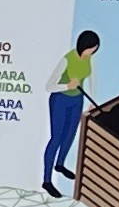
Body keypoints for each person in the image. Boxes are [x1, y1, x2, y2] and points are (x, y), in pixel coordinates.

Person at [41, 31, 101, 194]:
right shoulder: (67, 60)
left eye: (94, 50)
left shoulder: (89, 59)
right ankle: (47, 180)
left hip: (77, 100)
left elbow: (92, 79)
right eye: (91, 49)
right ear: (84, 46)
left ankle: (60, 164)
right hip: (60, 100)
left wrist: (92, 101)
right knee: (56, 138)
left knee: (70, 135)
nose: (92, 53)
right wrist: (67, 86)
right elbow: (49, 86)